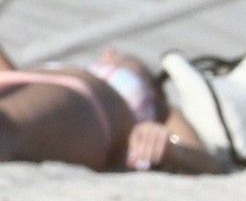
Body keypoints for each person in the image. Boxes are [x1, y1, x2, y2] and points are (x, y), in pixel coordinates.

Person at [0, 44, 224, 173]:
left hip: (89, 107)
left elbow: (208, 164)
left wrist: (171, 148)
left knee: (10, 128)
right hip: (28, 82)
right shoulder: (91, 66)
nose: (118, 57)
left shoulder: (159, 108)